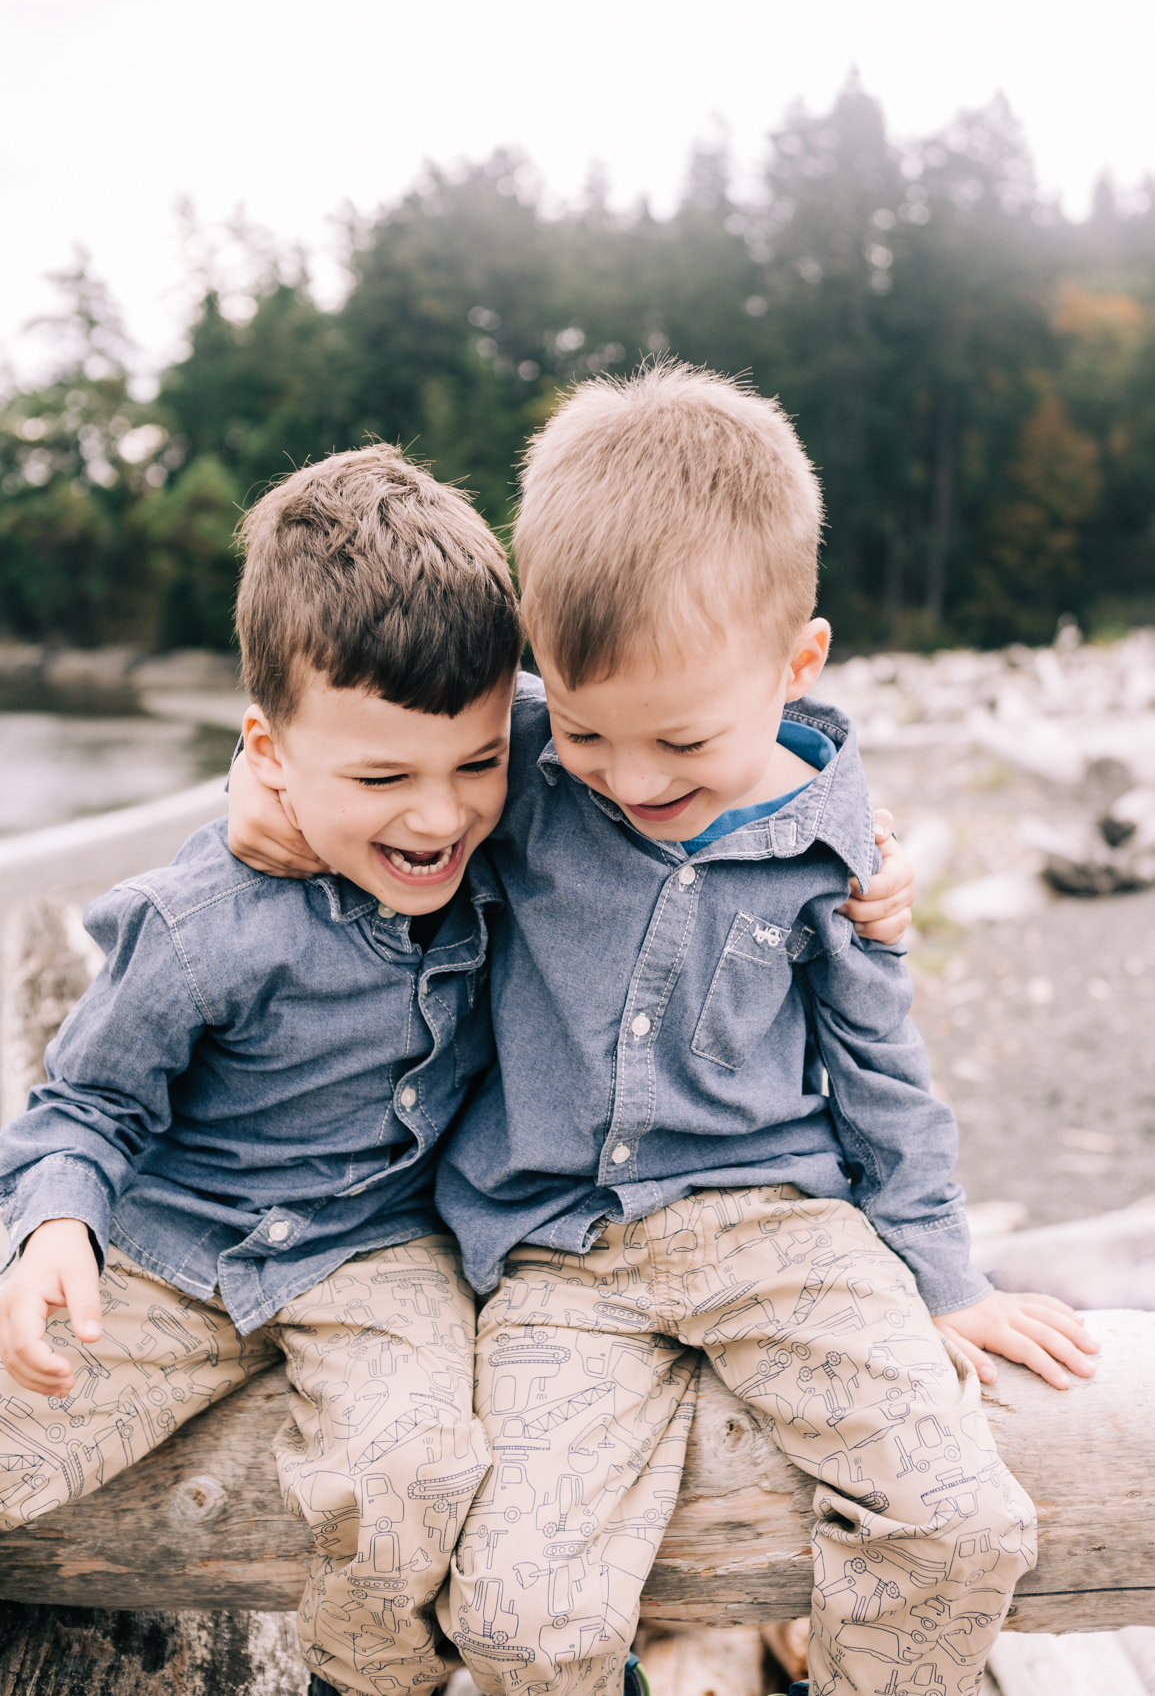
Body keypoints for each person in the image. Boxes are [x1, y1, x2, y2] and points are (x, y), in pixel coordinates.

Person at [427, 364, 1098, 1696]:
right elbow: (362, 756)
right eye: (582, 725)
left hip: (779, 1227)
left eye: (679, 738)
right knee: (516, 1616)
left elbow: (879, 1070)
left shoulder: (834, 848)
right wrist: (257, 793)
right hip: (555, 1249)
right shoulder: (510, 766)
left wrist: (942, 1274)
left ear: (796, 668)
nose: (626, 777)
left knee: (963, 1522)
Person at [0, 444, 524, 1696]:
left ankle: (359, 1681)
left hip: (383, 1254)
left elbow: (654, 712)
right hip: (169, 1247)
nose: (440, 817)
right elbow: (85, 1101)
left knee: (420, 1476)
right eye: (384, 778)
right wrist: (56, 1220)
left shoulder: (527, 780)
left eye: (479, 762)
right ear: (267, 751)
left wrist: (834, 814)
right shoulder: (197, 922)